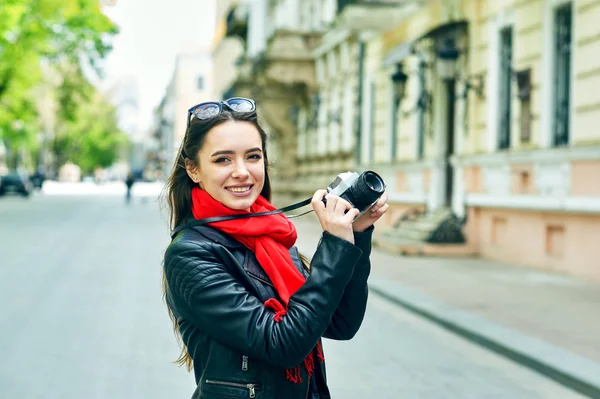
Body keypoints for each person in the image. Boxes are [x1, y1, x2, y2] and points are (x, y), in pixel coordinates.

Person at [162, 97, 388, 399]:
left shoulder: (273, 235)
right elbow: (282, 344)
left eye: (253, 157)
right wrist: (333, 246)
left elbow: (340, 323)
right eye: (223, 159)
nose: (242, 171)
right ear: (193, 169)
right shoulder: (190, 255)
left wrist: (355, 234)